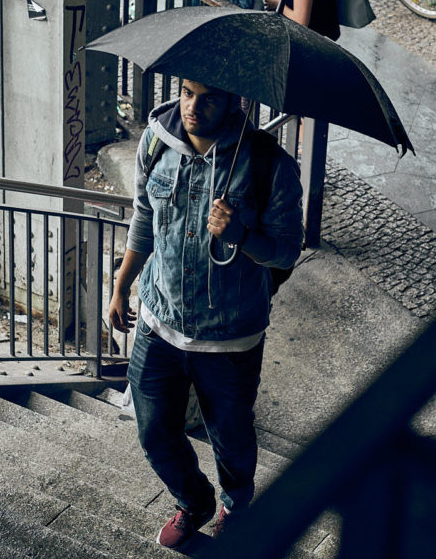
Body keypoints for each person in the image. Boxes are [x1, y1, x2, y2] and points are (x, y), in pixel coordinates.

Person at [108, 80, 303, 549]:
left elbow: (285, 253)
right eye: (187, 92)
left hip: (230, 338)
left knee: (231, 440)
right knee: (154, 432)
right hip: (159, 321)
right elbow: (143, 217)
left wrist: (239, 232)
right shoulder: (156, 142)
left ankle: (236, 508)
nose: (193, 107)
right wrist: (121, 286)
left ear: (237, 99)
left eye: (209, 97)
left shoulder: (268, 165)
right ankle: (194, 501)